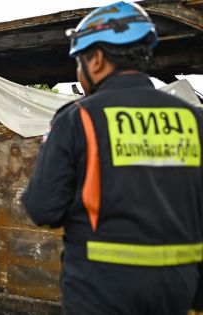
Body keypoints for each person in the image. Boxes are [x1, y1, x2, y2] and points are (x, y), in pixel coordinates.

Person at [22, 2, 202, 314]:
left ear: (97, 60)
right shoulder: (194, 120)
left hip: (102, 286)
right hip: (180, 284)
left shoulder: (79, 118)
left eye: (79, 62)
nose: (78, 70)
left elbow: (43, 208)